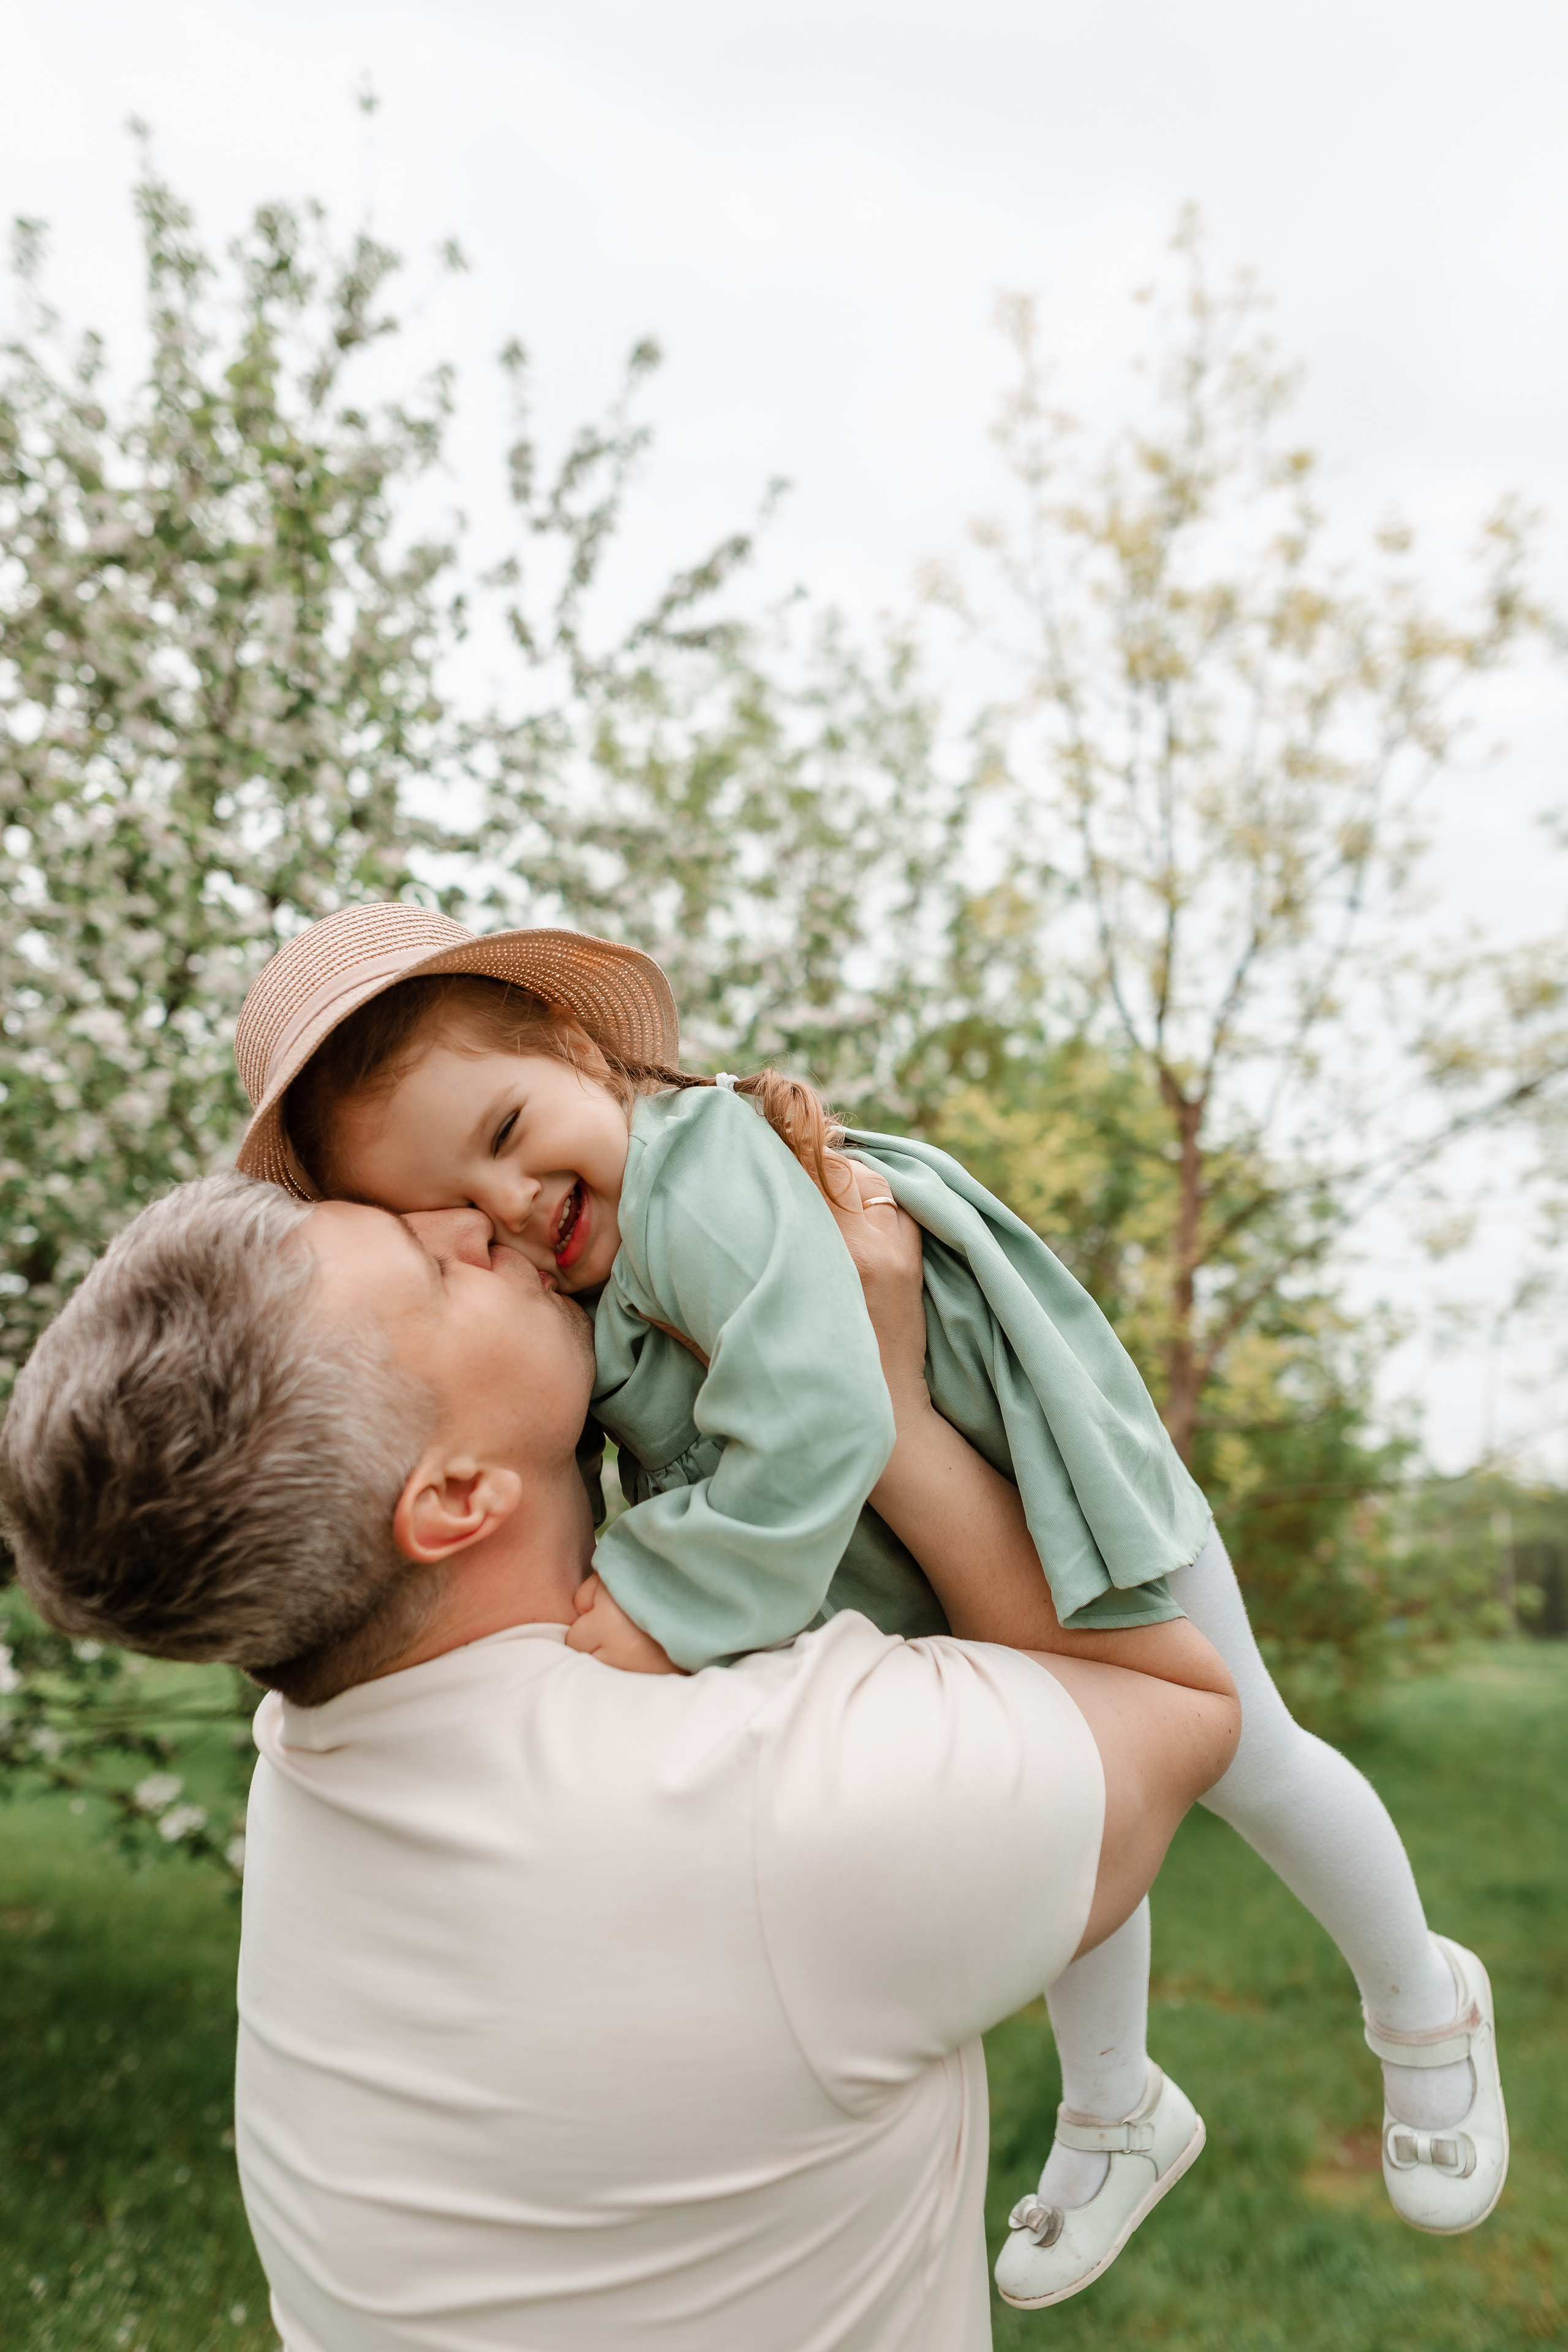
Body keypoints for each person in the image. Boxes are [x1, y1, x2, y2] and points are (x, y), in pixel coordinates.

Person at [228, 903, 1510, 2294]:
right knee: (1076, 1793)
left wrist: (653, 1602)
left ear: (576, 1048)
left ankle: (1419, 2001)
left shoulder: (698, 1172)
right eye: (459, 1216)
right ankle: (1115, 2106)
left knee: (1246, 1749)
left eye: (503, 1134)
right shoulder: (579, 1272)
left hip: (1055, 1478)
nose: (514, 1211)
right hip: (924, 1540)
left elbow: (823, 1414)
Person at [0, 1166, 1242, 2352]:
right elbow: (1170, 1704)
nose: (469, 1222)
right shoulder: (765, 1804)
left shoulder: (313, 1746)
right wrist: (885, 1407)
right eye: (434, 1272)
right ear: (452, 1500)